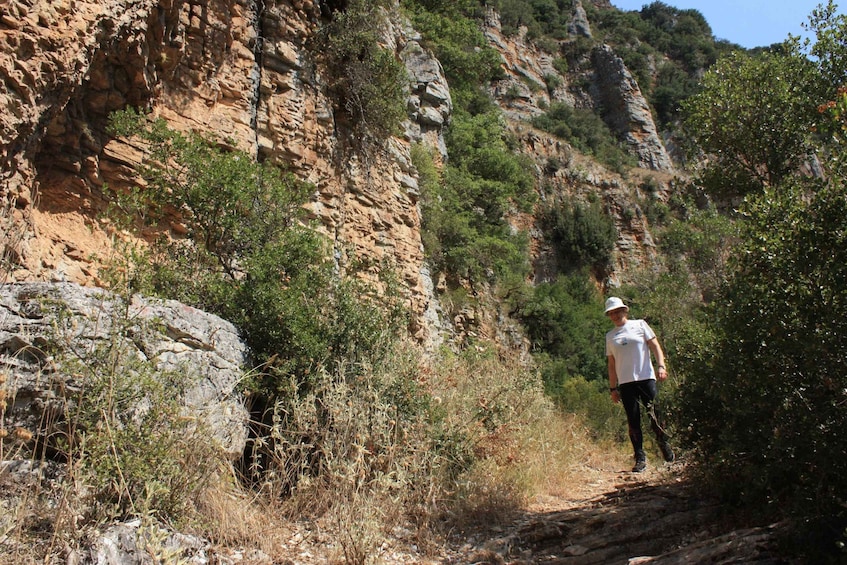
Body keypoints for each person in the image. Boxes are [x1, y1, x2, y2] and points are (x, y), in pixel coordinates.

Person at [604, 296, 674, 472]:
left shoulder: (640, 325)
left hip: (646, 377)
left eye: (617, 311)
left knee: (655, 416)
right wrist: (613, 388)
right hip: (626, 383)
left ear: (624, 311)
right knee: (633, 421)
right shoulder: (610, 336)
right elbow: (611, 365)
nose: (615, 315)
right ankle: (640, 458)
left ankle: (665, 447)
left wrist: (661, 366)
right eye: (612, 313)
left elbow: (655, 347)